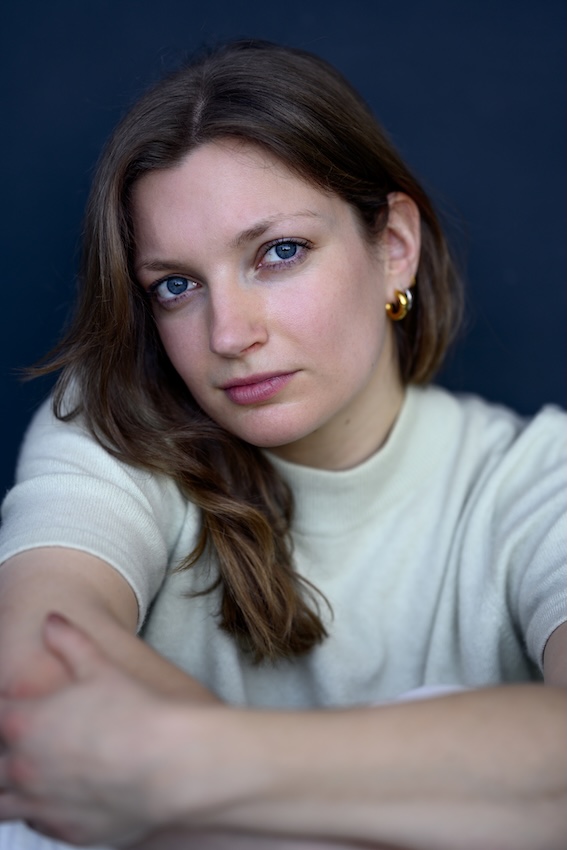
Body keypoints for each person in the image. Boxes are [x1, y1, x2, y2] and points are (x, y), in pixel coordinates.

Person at [0, 39, 565, 850]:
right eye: (176, 285)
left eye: (278, 253)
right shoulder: (113, 429)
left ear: (392, 246)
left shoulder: (536, 478)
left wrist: (174, 767)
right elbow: (32, 686)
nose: (229, 334)